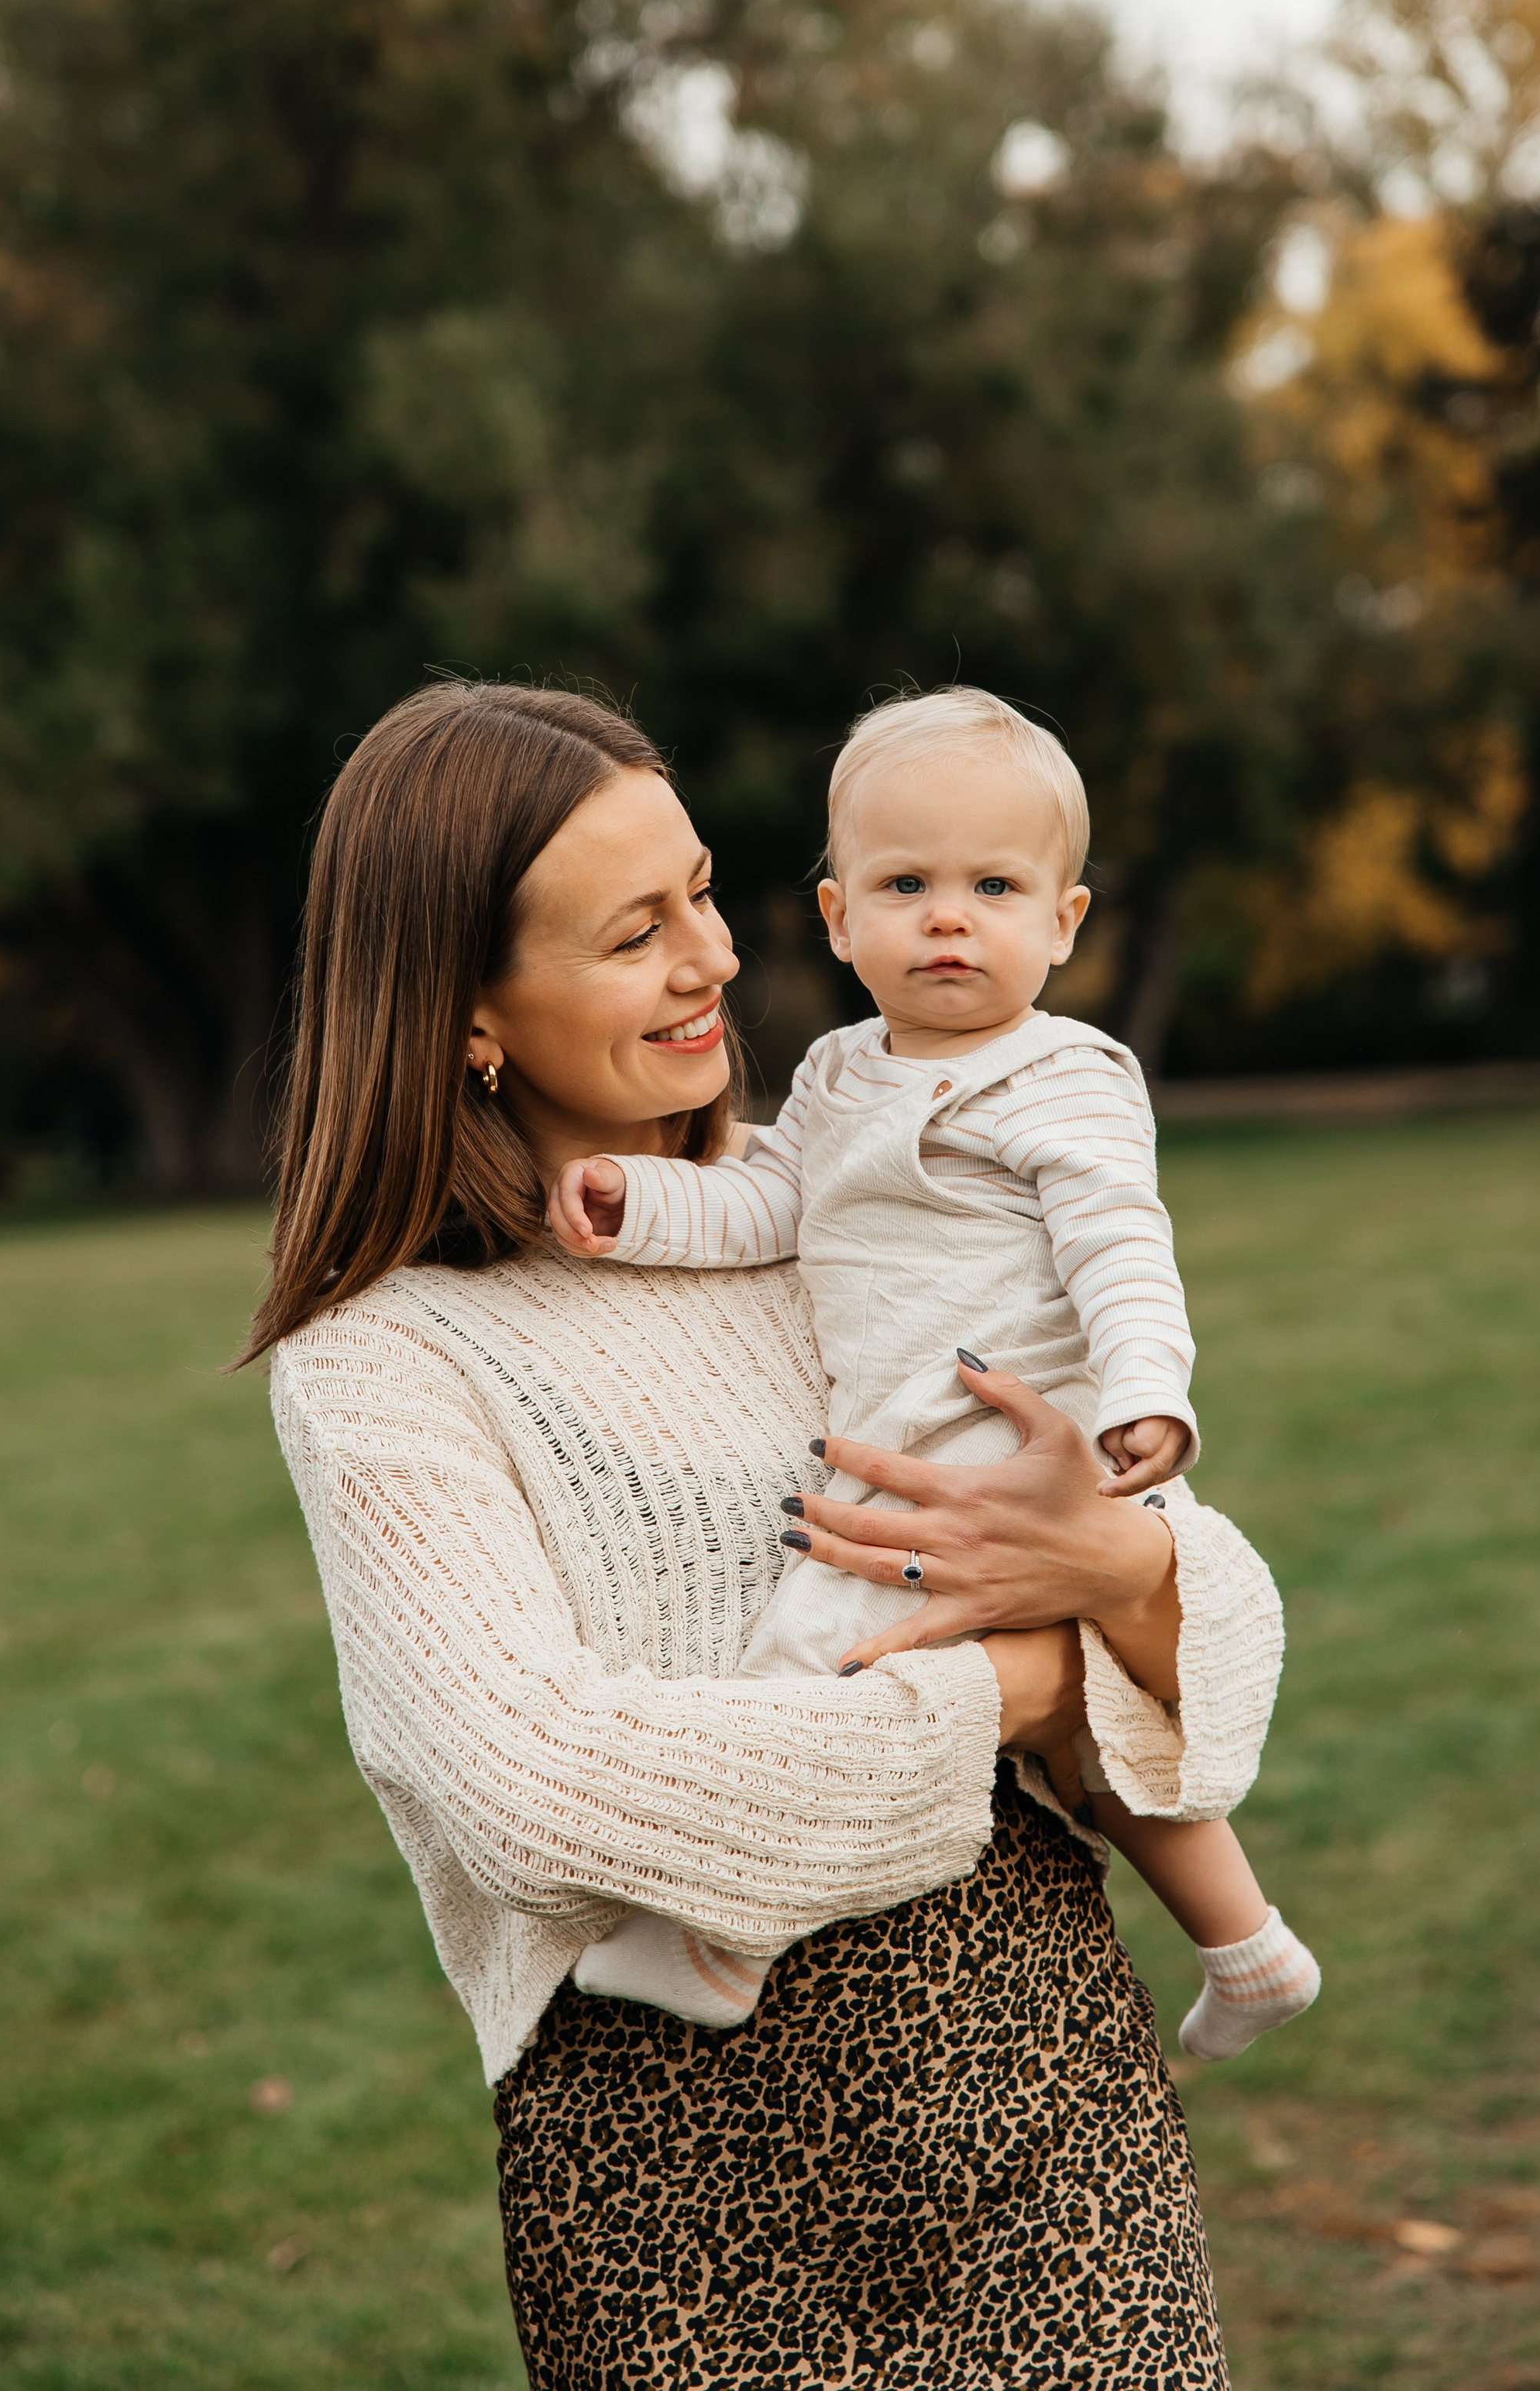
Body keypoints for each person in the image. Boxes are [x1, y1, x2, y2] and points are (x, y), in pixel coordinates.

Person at [246, 677, 1287, 2391]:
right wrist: (1017, 1693)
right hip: (688, 2187)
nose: (715, 959)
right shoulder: (386, 1361)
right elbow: (539, 1790)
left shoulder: (844, 1209)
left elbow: (1219, 1620)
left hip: (1040, 2096)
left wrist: (1116, 1572)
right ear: (469, 1012)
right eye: (633, 932)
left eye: (706, 892)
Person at [554, 685, 1319, 2060]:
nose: (950, 917)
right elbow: (769, 1202)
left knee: (813, 1647)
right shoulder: (844, 1076)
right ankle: (1250, 1946)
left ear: (1064, 923)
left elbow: (1121, 1245)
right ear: (841, 920)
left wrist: (1151, 1391)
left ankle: (729, 1937)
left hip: (1000, 1439)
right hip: (908, 1422)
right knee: (1092, 1739)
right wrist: (639, 1206)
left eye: (994, 886)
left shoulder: (1062, 1077)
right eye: (907, 884)